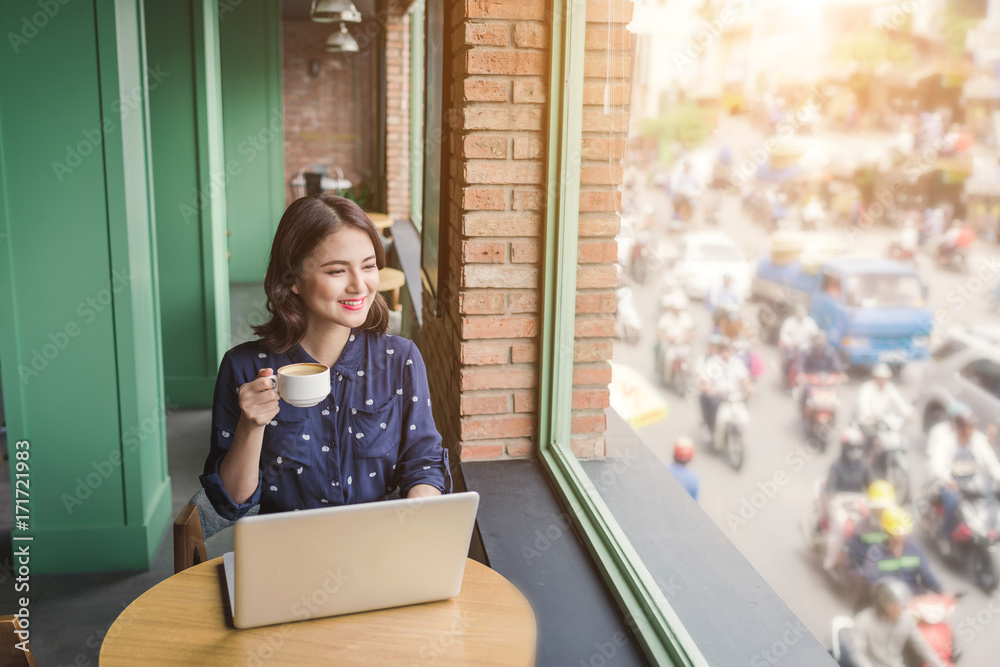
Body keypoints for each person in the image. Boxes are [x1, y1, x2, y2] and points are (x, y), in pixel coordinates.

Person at [201, 195, 450, 520]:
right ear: (292, 280)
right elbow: (230, 504)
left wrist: (418, 509)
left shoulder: (400, 358)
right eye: (337, 271)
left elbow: (423, 462)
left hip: (375, 547)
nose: (360, 286)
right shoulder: (243, 367)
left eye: (369, 266)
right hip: (285, 554)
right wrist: (251, 427)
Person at [926, 406, 1000, 551]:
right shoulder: (946, 441)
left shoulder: (977, 440)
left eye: (974, 425)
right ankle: (946, 536)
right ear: (960, 427)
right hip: (950, 483)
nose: (973, 428)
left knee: (990, 495)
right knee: (952, 501)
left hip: (971, 482)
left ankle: (986, 528)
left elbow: (991, 461)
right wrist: (947, 479)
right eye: (969, 425)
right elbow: (937, 464)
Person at [844, 577, 946, 667]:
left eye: (900, 604)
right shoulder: (864, 620)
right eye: (893, 604)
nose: (899, 609)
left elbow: (921, 645)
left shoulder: (906, 619)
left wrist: (939, 663)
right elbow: (857, 653)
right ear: (882, 602)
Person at [857, 506, 943, 598]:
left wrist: (941, 592)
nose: (901, 536)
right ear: (887, 531)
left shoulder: (914, 551)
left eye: (903, 532)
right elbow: (872, 583)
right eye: (897, 533)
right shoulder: (876, 554)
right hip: (889, 601)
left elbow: (927, 576)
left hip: (913, 599)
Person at [824, 428, 876, 572]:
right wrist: (838, 503)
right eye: (852, 447)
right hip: (839, 501)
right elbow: (830, 492)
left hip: (859, 501)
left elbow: (873, 485)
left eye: (858, 447)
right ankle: (830, 560)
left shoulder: (864, 465)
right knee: (840, 525)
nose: (855, 451)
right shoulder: (836, 466)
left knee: (872, 523)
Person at [698, 337, 752, 436]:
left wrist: (748, 388)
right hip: (719, 396)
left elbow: (744, 377)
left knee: (743, 406)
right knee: (712, 405)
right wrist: (709, 389)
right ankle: (711, 426)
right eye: (724, 350)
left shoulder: (737, 362)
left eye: (728, 350)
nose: (727, 353)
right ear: (719, 351)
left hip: (734, 396)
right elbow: (705, 379)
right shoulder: (713, 363)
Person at [846, 481, 897, 574]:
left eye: (885, 507)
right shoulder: (863, 525)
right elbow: (854, 550)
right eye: (880, 507)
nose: (882, 510)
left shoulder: (894, 521)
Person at [856, 363, 912, 445]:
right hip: (868, 421)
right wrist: (867, 413)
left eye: (884, 378)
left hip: (883, 421)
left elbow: (899, 401)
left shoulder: (890, 387)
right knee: (871, 440)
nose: (882, 380)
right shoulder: (867, 387)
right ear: (875, 377)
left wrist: (908, 413)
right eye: (880, 377)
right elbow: (863, 402)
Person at [797, 330, 846, 409]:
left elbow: (836, 363)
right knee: (805, 391)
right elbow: (801, 363)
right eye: (818, 342)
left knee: (835, 392)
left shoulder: (830, 351)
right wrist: (801, 373)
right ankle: (802, 409)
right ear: (814, 342)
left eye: (821, 343)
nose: (819, 345)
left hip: (826, 378)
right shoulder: (808, 352)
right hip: (811, 378)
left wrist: (841, 373)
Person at [656, 295, 694, 380]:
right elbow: (659, 330)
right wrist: (665, 337)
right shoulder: (666, 316)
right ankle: (667, 378)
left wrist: (686, 337)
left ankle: (687, 377)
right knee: (669, 358)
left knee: (689, 358)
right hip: (670, 344)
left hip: (682, 344)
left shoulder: (685, 316)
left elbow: (691, 330)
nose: (677, 311)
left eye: (679, 309)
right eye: (675, 309)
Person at [778, 305, 818, 384]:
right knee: (790, 358)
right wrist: (788, 342)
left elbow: (815, 334)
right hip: (792, 345)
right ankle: (785, 376)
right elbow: (784, 334)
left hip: (806, 346)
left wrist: (815, 341)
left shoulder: (810, 322)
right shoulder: (790, 322)